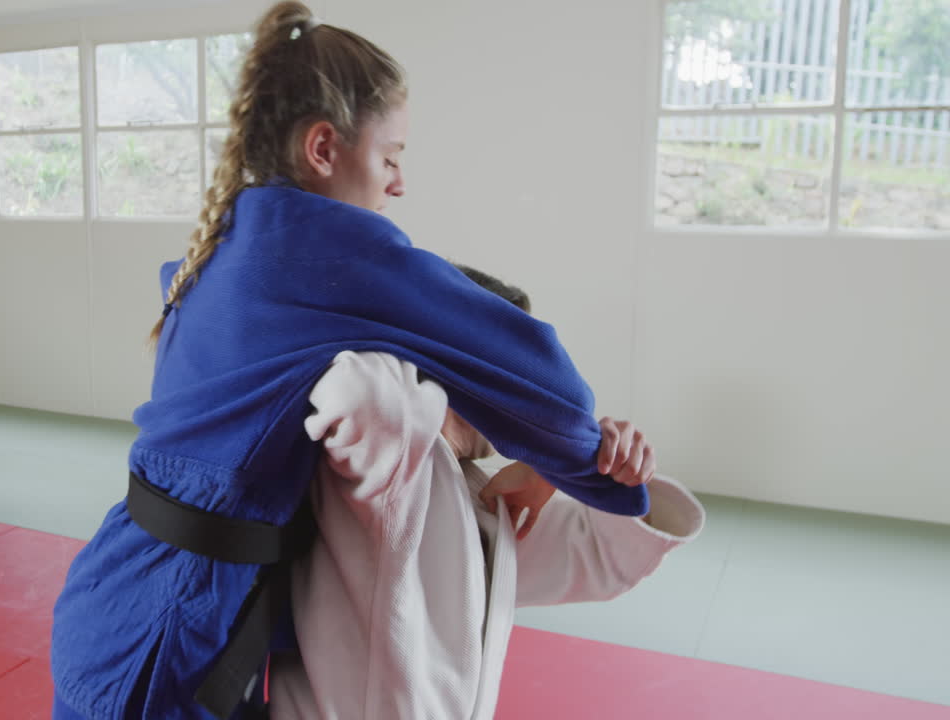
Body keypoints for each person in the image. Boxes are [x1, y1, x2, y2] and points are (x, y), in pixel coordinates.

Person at [52, 4, 650, 718]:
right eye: (391, 156)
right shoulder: (328, 247)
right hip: (170, 632)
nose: (398, 184)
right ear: (324, 148)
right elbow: (540, 376)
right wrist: (580, 460)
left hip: (123, 591)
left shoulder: (230, 243)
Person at [266, 269, 705, 719]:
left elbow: (601, 557)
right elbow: (363, 388)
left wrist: (582, 460)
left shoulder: (481, 491)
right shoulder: (386, 462)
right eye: (512, 368)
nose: (525, 390)